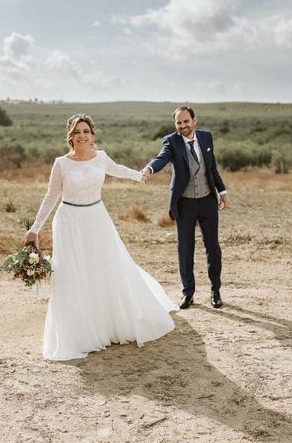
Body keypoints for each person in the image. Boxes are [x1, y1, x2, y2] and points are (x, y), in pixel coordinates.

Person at [25, 114, 177, 361]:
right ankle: (80, 333)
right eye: (77, 132)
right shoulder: (61, 164)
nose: (82, 136)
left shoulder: (101, 158)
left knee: (103, 268)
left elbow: (119, 170)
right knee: (73, 274)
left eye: (86, 131)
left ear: (92, 135)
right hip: (69, 222)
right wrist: (35, 227)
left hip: (97, 219)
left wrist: (140, 175)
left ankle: (109, 324)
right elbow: (50, 196)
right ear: (70, 137)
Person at [141, 106, 228, 310]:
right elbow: (162, 158)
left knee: (212, 247)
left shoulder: (206, 138)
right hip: (185, 203)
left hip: (207, 200)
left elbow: (212, 167)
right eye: (179, 123)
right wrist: (149, 168)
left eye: (186, 121)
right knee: (185, 249)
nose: (183, 126)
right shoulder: (171, 141)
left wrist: (221, 191)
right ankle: (188, 294)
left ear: (194, 121)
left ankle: (215, 291)